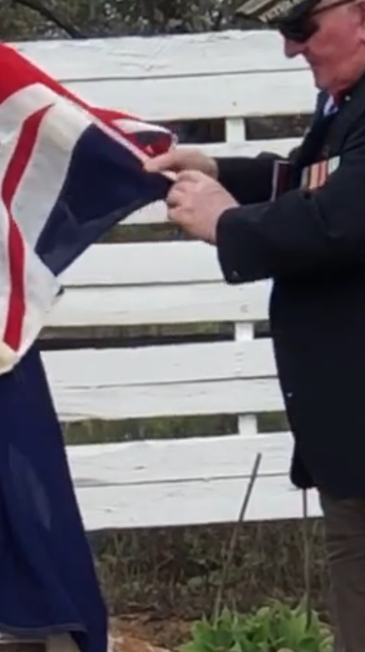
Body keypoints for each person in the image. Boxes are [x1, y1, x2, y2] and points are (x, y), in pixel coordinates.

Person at [145, 0, 365, 649]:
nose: (291, 49)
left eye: (300, 28)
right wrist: (218, 172)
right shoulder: (348, 106)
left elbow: (340, 218)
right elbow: (312, 184)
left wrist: (224, 221)